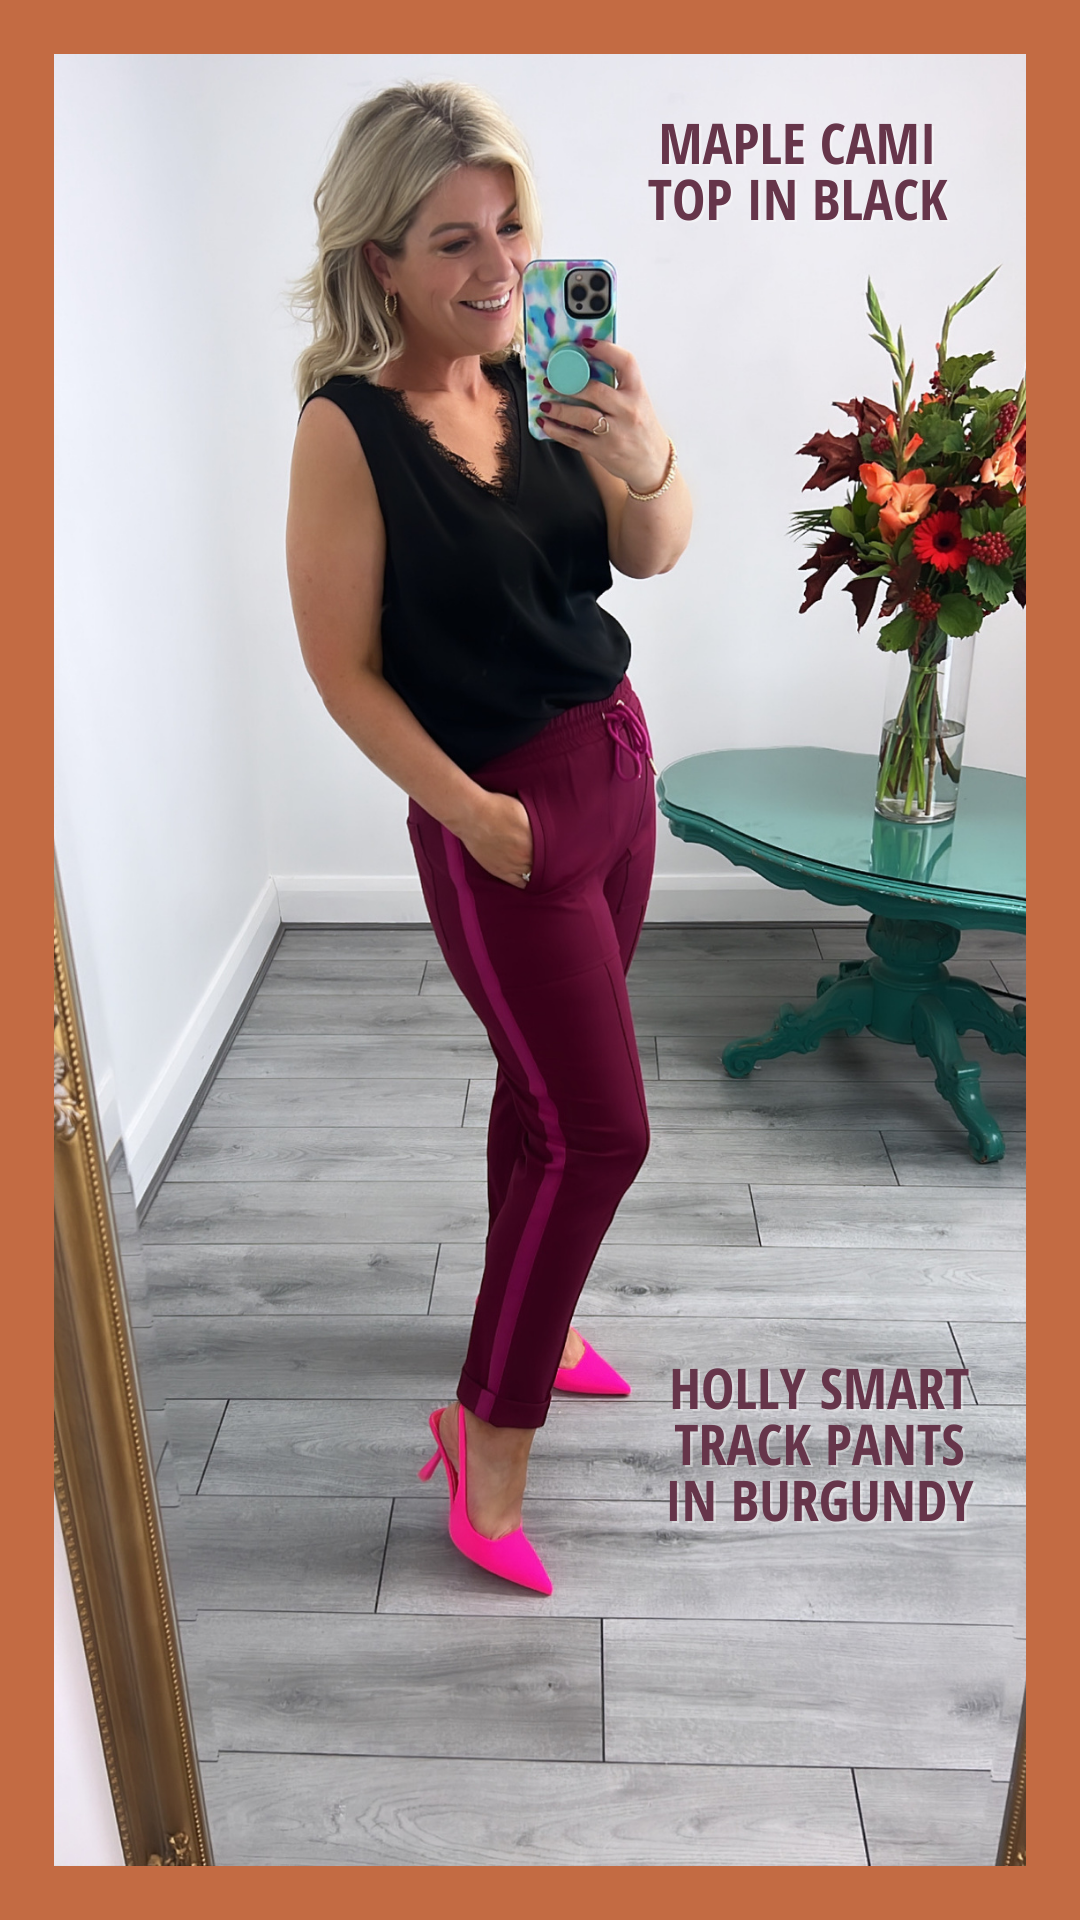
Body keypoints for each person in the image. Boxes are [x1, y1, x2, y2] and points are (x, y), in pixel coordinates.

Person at [286, 80, 691, 1593]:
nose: (499, 263)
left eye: (509, 225)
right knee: (606, 1130)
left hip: (617, 769)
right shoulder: (346, 432)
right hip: (500, 815)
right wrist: (473, 817)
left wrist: (645, 448)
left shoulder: (544, 373)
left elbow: (650, 553)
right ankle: (487, 1439)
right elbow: (343, 669)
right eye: (453, 238)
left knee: (546, 1100)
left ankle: (544, 1323)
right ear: (381, 260)